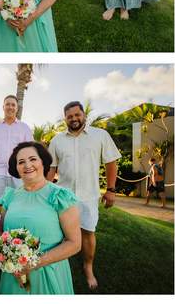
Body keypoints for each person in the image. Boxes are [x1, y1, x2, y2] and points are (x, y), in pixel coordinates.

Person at [47, 100, 121, 289]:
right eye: (70, 116)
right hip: (63, 196)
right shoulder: (57, 140)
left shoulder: (100, 135)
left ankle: (88, 267)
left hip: (89, 196)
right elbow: (51, 168)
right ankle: (58, 263)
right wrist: (44, 191)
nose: (74, 119)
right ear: (65, 119)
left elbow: (111, 163)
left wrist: (111, 190)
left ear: (84, 115)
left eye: (77, 115)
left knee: (88, 232)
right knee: (58, 233)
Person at [0, 141, 81, 294]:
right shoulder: (10, 196)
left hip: (48, 274)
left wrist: (33, 264)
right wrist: (9, 257)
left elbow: (75, 243)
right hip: (13, 276)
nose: (27, 165)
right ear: (16, 168)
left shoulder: (59, 196)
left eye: (33, 159)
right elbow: (1, 232)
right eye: (21, 162)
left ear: (43, 162)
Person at [0, 95, 33, 202]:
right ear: (3, 107)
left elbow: (31, 151)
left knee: (19, 203)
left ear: (17, 108)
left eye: (13, 105)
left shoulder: (25, 128)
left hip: (19, 173)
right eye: (7, 104)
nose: (10, 107)